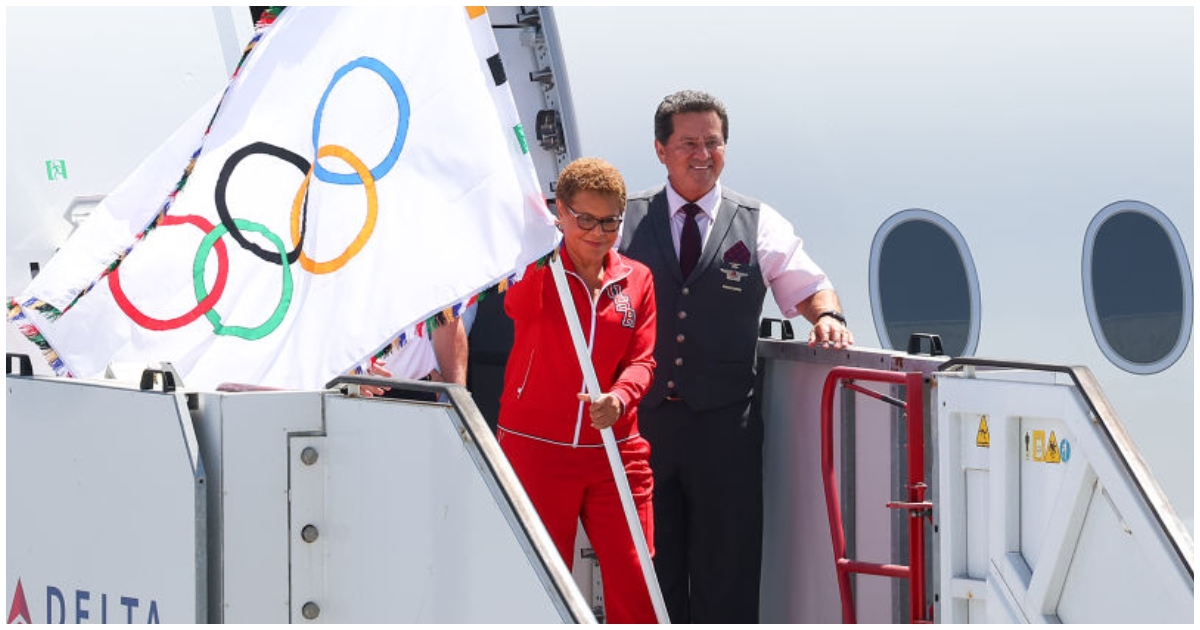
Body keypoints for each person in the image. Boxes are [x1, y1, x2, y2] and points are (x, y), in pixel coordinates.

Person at [619, 89, 854, 623]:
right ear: (661, 149)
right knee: (649, 569)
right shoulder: (625, 220)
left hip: (724, 429)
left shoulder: (758, 222)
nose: (703, 154)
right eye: (688, 144)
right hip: (643, 426)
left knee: (729, 569)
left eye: (714, 143)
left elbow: (810, 283)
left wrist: (827, 317)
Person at [497, 157, 659, 624]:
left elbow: (643, 359)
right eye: (584, 218)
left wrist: (620, 398)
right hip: (536, 449)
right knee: (537, 586)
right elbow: (513, 303)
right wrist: (535, 250)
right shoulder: (536, 268)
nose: (597, 231)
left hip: (616, 449)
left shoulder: (638, 279)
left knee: (638, 582)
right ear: (561, 213)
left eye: (609, 220)